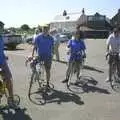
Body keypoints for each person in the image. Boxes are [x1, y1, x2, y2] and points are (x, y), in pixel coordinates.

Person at [0, 24, 14, 106]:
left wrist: (4, 56)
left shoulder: (1, 37)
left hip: (2, 61)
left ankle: (11, 99)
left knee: (8, 79)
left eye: (2, 27)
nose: (2, 28)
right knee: (7, 80)